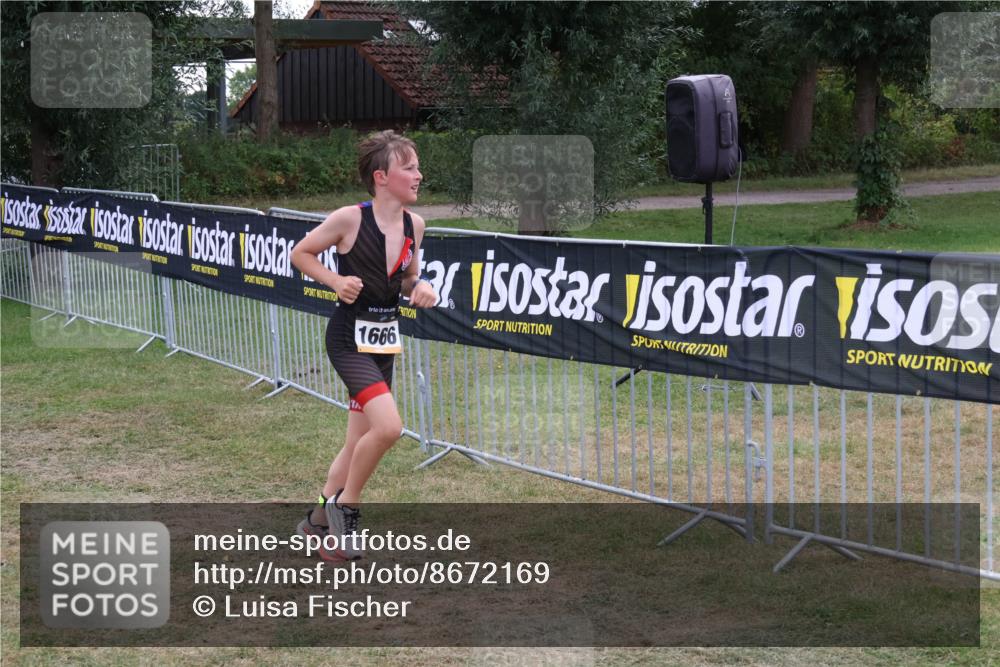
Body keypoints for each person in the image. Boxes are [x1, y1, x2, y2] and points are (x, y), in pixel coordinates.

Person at [290, 130, 437, 560]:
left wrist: (420, 287)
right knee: (389, 428)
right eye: (408, 167)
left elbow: (408, 278)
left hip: (384, 339)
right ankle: (345, 508)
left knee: (357, 442)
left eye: (417, 166)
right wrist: (335, 280)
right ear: (381, 176)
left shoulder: (416, 225)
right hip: (348, 340)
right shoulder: (349, 219)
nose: (418, 175)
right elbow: (301, 253)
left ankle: (315, 521)